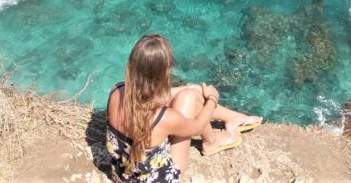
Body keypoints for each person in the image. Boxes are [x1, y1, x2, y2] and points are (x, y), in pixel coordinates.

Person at [105, 34, 263, 182]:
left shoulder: (116, 91)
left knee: (189, 93)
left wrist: (186, 89)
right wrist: (212, 99)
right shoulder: (165, 118)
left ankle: (232, 118)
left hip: (124, 168)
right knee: (191, 98)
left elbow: (145, 100)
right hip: (156, 177)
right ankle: (212, 141)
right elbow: (198, 125)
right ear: (162, 74)